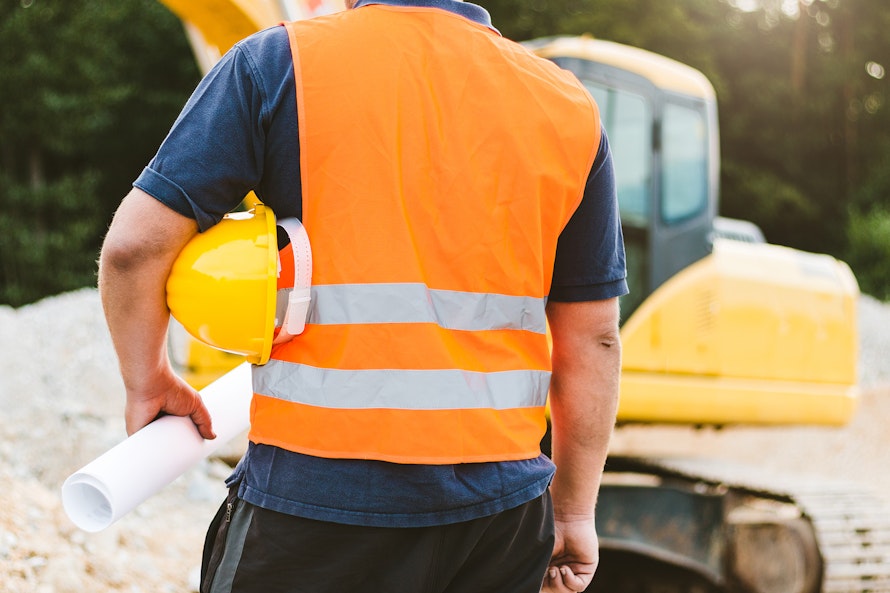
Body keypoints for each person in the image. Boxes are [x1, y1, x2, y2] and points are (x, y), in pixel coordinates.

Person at [98, 1, 626, 592]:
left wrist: (147, 379)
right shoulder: (568, 106)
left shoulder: (279, 62)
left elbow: (134, 250)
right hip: (500, 517)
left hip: (316, 503)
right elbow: (595, 338)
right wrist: (573, 511)